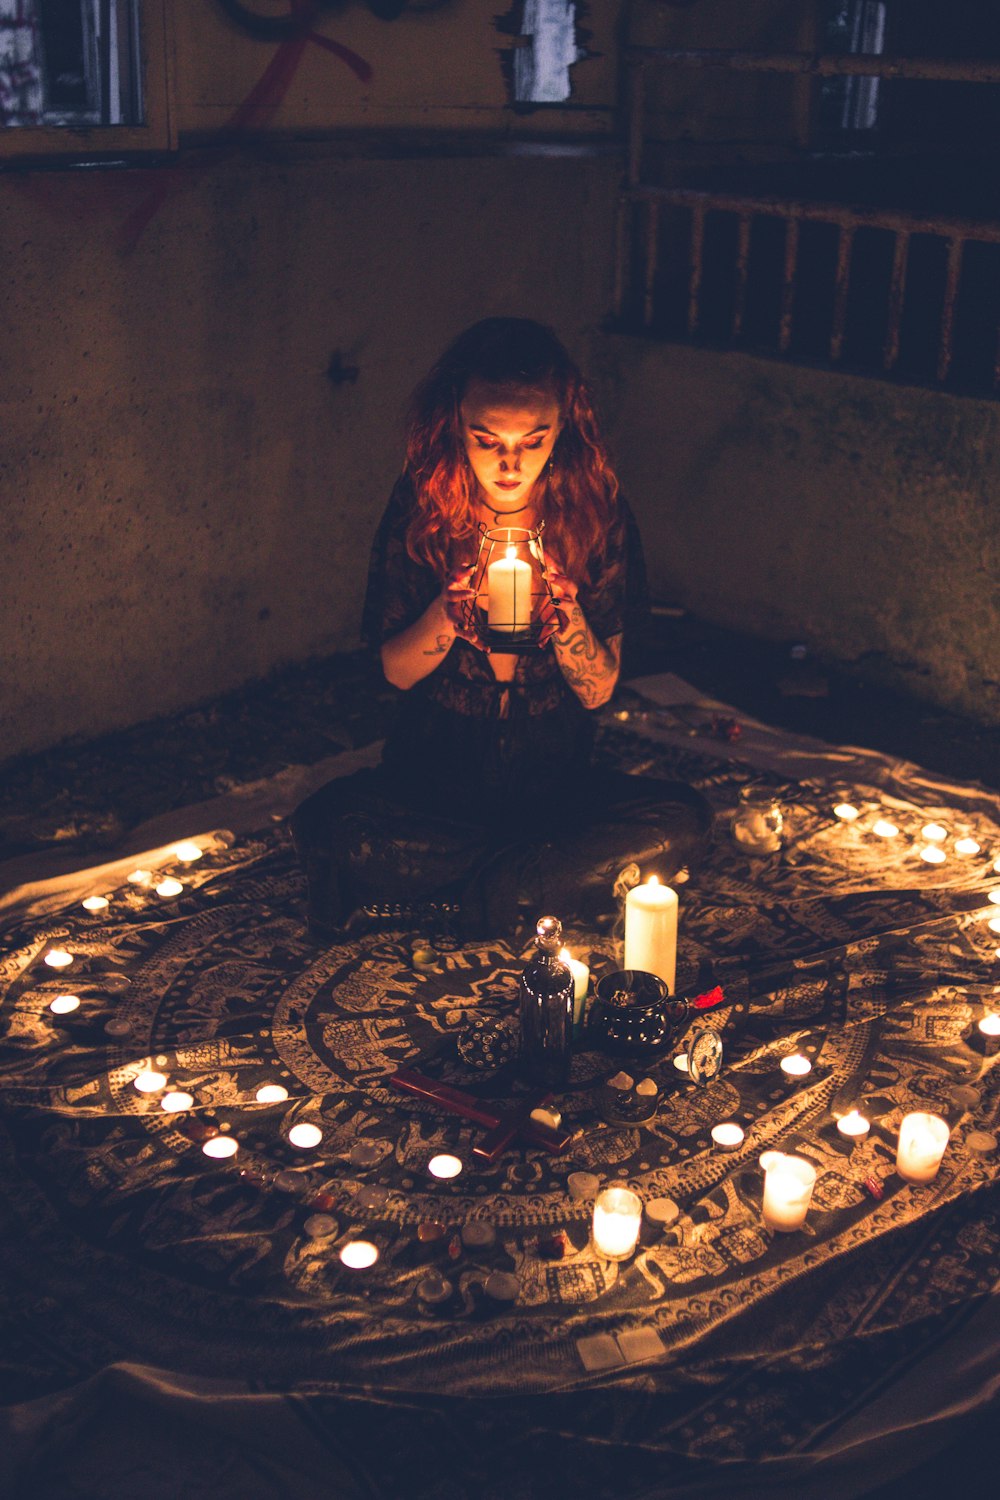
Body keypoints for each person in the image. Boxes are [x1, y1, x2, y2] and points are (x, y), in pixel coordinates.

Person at [292, 318, 711, 941]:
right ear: (455, 425)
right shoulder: (424, 505)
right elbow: (396, 671)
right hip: (434, 784)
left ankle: (464, 896)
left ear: (563, 426)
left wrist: (569, 617)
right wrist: (445, 613)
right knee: (328, 824)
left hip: (555, 784)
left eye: (533, 440)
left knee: (684, 819)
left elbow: (597, 691)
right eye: (487, 439)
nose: (510, 463)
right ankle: (529, 889)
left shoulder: (595, 511)